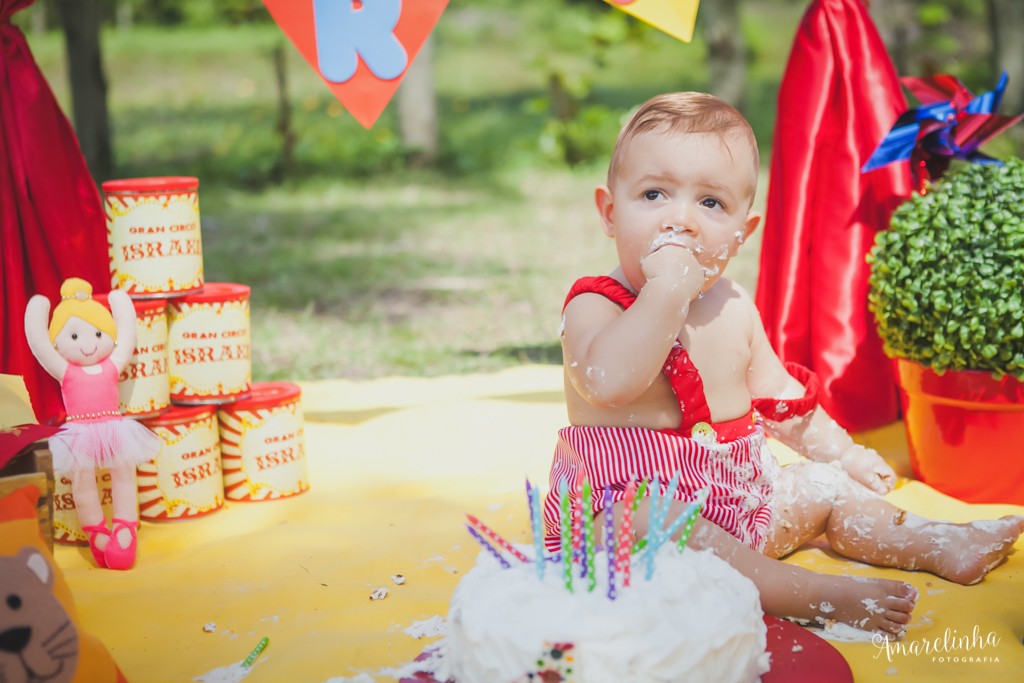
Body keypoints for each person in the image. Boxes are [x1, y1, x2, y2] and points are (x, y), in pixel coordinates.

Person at [543, 92, 1024, 638]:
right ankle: (809, 594)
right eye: (654, 194)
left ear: (742, 235)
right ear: (611, 213)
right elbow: (608, 383)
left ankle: (937, 542)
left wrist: (845, 454)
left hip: (743, 506)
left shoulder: (732, 305)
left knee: (826, 487)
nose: (682, 220)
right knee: (650, 519)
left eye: (710, 204)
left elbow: (780, 399)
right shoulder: (596, 304)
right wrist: (664, 294)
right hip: (627, 528)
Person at [24, 278, 162, 570]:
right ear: (60, 342)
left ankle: (125, 527)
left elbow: (126, 336)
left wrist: (120, 304)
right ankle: (96, 531)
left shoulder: (112, 364)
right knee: (82, 481)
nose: (87, 345)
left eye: (98, 333)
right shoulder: (66, 371)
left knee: (123, 474)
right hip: (80, 432)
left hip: (114, 427)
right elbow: (40, 346)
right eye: (73, 337)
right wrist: (38, 311)